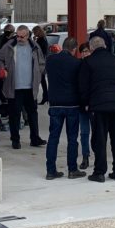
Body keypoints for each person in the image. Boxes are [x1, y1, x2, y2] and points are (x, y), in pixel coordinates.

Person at [80, 36, 115, 182]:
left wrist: (85, 104)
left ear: (92, 48)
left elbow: (83, 87)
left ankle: (99, 172)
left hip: (99, 105)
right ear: (105, 46)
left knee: (99, 139)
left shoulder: (88, 62)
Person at [43, 36, 86, 180]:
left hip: (55, 104)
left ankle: (50, 170)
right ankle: (72, 170)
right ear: (74, 49)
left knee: (53, 137)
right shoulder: (77, 63)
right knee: (72, 138)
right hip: (72, 104)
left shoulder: (50, 60)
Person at [0, 25, 46, 150]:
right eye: (17, 35)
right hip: (14, 87)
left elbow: (42, 62)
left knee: (32, 114)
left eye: (22, 36)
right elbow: (0, 59)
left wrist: (38, 73)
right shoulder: (9, 46)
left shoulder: (35, 47)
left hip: (30, 87)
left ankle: (35, 138)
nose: (19, 38)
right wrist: (3, 70)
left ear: (28, 35)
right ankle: (15, 140)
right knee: (14, 115)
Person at [76, 42, 92, 170]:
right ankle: (85, 156)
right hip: (82, 104)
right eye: (83, 51)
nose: (84, 53)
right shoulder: (78, 65)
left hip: (94, 104)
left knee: (97, 131)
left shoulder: (95, 65)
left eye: (87, 51)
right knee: (84, 132)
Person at [32, 25, 50, 105]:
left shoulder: (40, 40)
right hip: (43, 61)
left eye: (34, 32)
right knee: (42, 81)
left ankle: (45, 96)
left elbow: (37, 50)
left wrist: (34, 42)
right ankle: (46, 96)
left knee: (40, 80)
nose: (34, 34)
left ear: (37, 32)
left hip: (40, 62)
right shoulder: (43, 39)